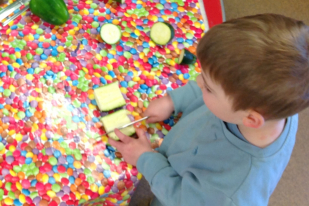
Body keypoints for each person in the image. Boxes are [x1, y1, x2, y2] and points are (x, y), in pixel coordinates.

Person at [111, 14, 309, 206]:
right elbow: (218, 82)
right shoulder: (272, 104)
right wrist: (173, 101)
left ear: (251, 118)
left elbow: (180, 199)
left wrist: (144, 159)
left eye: (207, 88)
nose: (198, 81)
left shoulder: (230, 193)